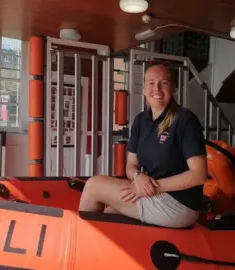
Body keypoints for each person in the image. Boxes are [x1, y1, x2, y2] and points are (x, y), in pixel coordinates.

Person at [78, 63, 207, 228]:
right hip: (152, 194)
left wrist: (151, 187)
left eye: (164, 83)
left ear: (173, 88)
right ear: (144, 89)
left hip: (179, 204)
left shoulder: (185, 120)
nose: (157, 88)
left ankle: (81, 249)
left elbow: (199, 174)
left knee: (94, 185)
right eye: (151, 83)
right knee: (110, 213)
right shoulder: (140, 121)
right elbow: (131, 166)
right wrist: (138, 177)